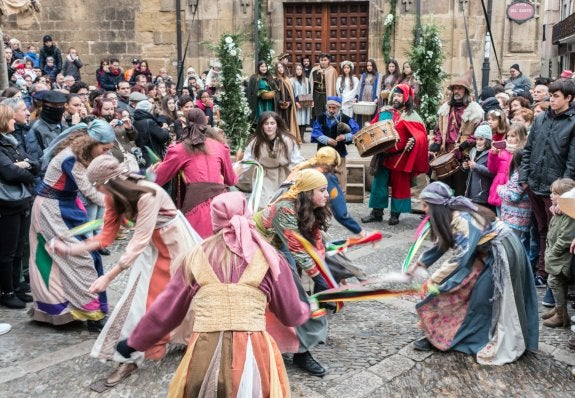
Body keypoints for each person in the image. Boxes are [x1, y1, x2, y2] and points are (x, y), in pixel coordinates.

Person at [114, 191, 311, 396]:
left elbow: (165, 311)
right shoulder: (270, 258)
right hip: (254, 352)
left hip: (205, 351)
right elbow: (291, 313)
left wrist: (133, 343)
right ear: (247, 214)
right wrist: (307, 310)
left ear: (214, 219)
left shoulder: (195, 257)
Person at [50, 155, 202, 387]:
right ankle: (130, 356)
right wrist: (70, 249)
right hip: (153, 246)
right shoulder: (114, 199)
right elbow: (106, 237)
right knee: (136, 301)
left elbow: (137, 242)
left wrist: (108, 277)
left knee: (185, 296)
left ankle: (195, 340)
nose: (96, 191)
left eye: (98, 185)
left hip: (176, 243)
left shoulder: (148, 194)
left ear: (109, 182)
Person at [406, 181, 539, 365]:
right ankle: (440, 335)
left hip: (502, 251)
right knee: (463, 290)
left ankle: (465, 337)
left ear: (436, 206)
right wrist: (419, 264)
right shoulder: (451, 215)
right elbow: (442, 243)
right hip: (485, 251)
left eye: (425, 205)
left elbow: (459, 259)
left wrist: (433, 281)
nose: (423, 209)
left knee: (476, 296)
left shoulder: (462, 219)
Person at [28, 121, 115, 329]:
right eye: (104, 149)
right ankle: (90, 313)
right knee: (79, 259)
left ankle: (71, 309)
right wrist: (119, 207)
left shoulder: (83, 154)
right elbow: (89, 191)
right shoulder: (71, 158)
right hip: (52, 209)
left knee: (82, 257)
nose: (105, 154)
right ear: (92, 142)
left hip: (67, 207)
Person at [255, 168, 331, 376]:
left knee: (291, 297)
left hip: (278, 248)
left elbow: (313, 244)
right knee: (292, 298)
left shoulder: (312, 207)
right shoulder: (285, 208)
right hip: (258, 251)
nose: (327, 194)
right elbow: (296, 246)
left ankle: (300, 349)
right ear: (307, 192)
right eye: (322, 190)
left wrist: (322, 274)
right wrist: (318, 277)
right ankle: (297, 350)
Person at [519, 79, 575, 287]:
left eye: (556, 96)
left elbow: (571, 161)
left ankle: (550, 276)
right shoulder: (541, 118)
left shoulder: (572, 123)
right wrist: (525, 179)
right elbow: (528, 150)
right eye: (550, 95)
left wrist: (562, 193)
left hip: (556, 188)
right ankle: (540, 271)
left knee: (554, 233)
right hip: (534, 184)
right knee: (539, 230)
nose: (551, 99)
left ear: (569, 98)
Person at [152, 108, 237, 238]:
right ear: (206, 122)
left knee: (198, 250)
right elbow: (231, 180)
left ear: (185, 123)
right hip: (222, 206)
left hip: (196, 207)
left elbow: (157, 179)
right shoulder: (220, 146)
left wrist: (154, 169)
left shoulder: (179, 149)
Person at [361, 84, 429, 225]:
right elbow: (373, 126)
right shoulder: (385, 112)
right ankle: (376, 213)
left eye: (399, 95)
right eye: (395, 95)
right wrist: (368, 126)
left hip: (400, 157)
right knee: (379, 184)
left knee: (400, 185)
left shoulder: (412, 116)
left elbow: (422, 135)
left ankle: (395, 215)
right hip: (383, 155)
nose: (396, 98)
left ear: (406, 98)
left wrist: (415, 139)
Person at [0, 104, 39, 309]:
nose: (15, 120)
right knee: (7, 250)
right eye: (11, 118)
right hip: (7, 204)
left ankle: (16, 286)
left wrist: (26, 167)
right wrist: (26, 169)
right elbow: (10, 173)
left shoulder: (11, 141)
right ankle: (6, 291)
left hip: (22, 199)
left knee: (18, 248)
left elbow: (35, 163)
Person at [429, 67, 484, 195]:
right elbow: (439, 130)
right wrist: (437, 142)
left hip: (463, 154)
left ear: (466, 91)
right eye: (454, 88)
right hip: (446, 151)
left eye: (459, 88)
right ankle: (441, 213)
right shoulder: (445, 109)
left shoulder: (475, 111)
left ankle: (457, 213)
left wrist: (468, 142)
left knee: (460, 188)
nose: (456, 91)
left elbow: (479, 134)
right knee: (441, 187)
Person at [293, 146, 365, 236]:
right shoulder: (326, 177)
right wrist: (360, 231)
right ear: (330, 164)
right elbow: (340, 212)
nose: (336, 169)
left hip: (289, 216)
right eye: (335, 165)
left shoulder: (303, 168)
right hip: (303, 222)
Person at [240, 111, 303, 208]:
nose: (269, 126)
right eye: (266, 123)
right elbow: (247, 161)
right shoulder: (255, 142)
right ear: (262, 126)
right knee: (263, 204)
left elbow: (297, 161)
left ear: (277, 125)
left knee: (281, 204)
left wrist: (298, 175)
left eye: (272, 123)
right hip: (263, 176)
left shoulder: (288, 141)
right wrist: (236, 172)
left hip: (283, 175)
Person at [540, 179, 575, 329]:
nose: (551, 196)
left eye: (555, 193)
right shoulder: (560, 211)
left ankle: (561, 315)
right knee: (556, 282)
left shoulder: (569, 215)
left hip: (561, 257)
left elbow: (565, 238)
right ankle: (559, 308)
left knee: (554, 281)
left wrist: (552, 253)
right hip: (556, 255)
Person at [311, 96, 360, 191]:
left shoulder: (346, 119)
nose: (331, 110)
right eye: (329, 107)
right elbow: (316, 133)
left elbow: (356, 132)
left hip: (339, 154)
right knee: (323, 178)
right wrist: (326, 140)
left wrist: (345, 137)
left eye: (334, 108)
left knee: (340, 178)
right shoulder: (320, 118)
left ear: (339, 108)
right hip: (323, 154)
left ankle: (340, 199)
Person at [487, 123, 527, 212]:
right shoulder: (503, 151)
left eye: (513, 136)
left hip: (514, 190)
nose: (509, 138)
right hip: (500, 187)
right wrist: (493, 155)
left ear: (521, 136)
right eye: (508, 135)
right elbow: (492, 170)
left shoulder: (524, 153)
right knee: (500, 216)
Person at [462, 124, 494, 209]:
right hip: (470, 189)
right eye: (477, 139)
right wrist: (465, 167)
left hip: (482, 191)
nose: (478, 142)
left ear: (487, 140)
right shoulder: (473, 151)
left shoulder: (491, 153)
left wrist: (476, 166)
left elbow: (491, 172)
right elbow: (470, 169)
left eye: (481, 139)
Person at [274, 62, 300, 143]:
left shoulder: (287, 79)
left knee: (287, 123)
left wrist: (289, 102)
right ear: (276, 69)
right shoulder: (275, 80)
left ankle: (286, 141)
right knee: (279, 122)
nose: (280, 69)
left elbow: (291, 94)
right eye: (278, 67)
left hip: (287, 107)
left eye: (281, 67)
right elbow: (275, 94)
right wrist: (280, 102)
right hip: (278, 107)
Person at [310, 53, 338, 119]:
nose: (323, 62)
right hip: (316, 95)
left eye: (325, 60)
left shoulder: (333, 71)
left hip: (328, 95)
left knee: (327, 112)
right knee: (317, 113)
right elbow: (310, 84)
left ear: (328, 61)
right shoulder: (314, 69)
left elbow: (335, 85)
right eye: (321, 60)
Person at [356, 59, 382, 126]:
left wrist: (377, 97)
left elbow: (378, 87)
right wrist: (356, 97)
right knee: (363, 113)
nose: (369, 67)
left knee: (372, 113)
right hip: (363, 96)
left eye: (371, 65)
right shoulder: (364, 75)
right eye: (368, 66)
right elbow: (359, 87)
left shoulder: (378, 75)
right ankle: (362, 129)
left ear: (374, 66)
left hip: (372, 97)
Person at [291, 62, 312, 143]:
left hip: (305, 103)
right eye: (297, 69)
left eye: (300, 69)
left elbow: (309, 91)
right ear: (294, 70)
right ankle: (297, 137)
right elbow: (291, 93)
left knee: (304, 120)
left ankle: (302, 137)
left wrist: (311, 101)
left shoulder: (306, 80)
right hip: (296, 103)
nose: (299, 71)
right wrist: (296, 102)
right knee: (298, 120)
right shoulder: (291, 80)